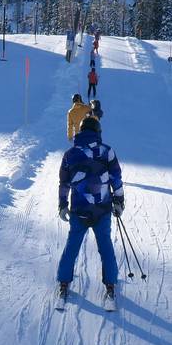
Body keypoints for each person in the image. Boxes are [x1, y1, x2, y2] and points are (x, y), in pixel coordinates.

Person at [56, 116, 125, 308]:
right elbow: (116, 179)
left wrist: (62, 204)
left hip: (79, 210)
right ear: (98, 132)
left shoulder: (70, 154)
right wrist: (119, 201)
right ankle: (110, 286)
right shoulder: (107, 151)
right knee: (106, 247)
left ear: (80, 132)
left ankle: (63, 283)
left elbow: (64, 183)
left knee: (72, 247)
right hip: (102, 210)